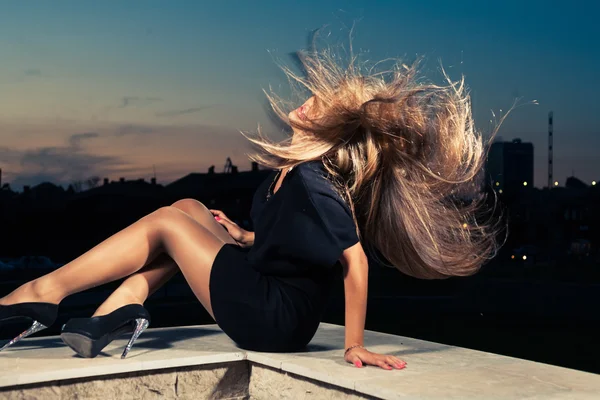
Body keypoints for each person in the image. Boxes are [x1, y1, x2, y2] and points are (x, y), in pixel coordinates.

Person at [0, 44, 503, 370]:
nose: (307, 102)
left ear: (330, 130)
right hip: (265, 290)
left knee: (169, 225)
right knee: (190, 206)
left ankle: (40, 294)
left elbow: (355, 261)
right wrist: (242, 238)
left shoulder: (316, 180)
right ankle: (114, 311)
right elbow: (292, 247)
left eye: (320, 106)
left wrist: (354, 344)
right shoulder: (287, 175)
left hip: (274, 319)